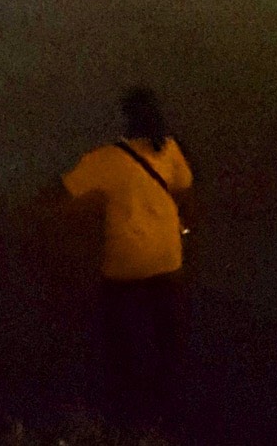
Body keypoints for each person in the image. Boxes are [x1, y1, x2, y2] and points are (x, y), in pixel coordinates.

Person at [60, 90, 192, 419]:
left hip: (127, 262)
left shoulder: (105, 159)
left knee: (116, 327)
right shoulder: (170, 148)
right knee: (167, 332)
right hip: (167, 255)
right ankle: (170, 399)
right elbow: (183, 185)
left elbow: (64, 189)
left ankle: (123, 401)